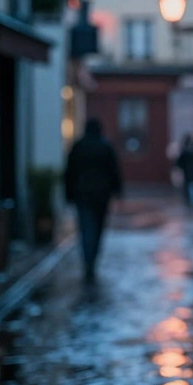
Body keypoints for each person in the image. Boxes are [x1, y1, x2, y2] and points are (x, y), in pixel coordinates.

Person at [64, 118, 123, 281]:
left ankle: (88, 260)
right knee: (97, 229)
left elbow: (69, 172)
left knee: (86, 228)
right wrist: (117, 191)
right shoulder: (105, 147)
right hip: (101, 195)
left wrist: (68, 194)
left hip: (82, 195)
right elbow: (114, 170)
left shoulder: (78, 147)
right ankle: (92, 259)